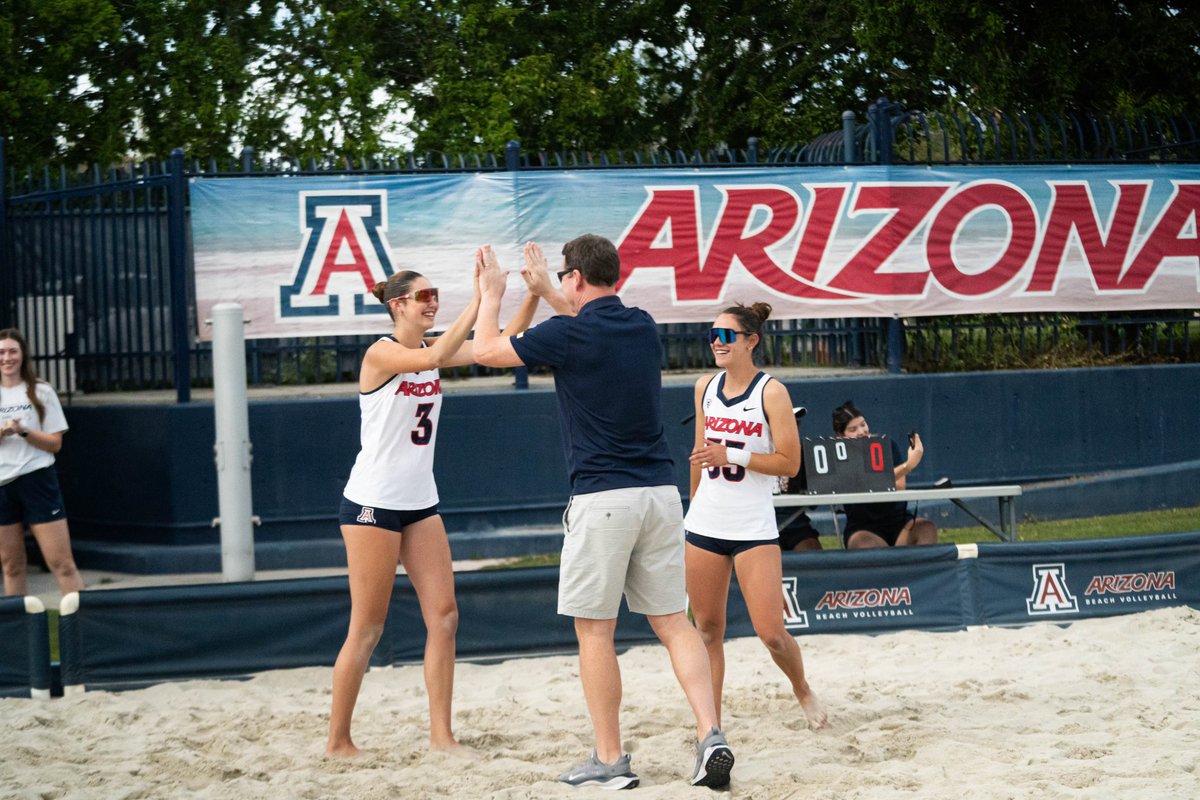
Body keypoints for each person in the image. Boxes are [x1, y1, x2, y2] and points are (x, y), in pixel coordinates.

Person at [472, 236, 734, 790]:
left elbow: (485, 351)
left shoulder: (567, 333)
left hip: (602, 498)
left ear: (574, 279)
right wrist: (548, 290)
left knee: (596, 633)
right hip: (661, 495)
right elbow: (588, 322)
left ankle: (611, 759)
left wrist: (494, 293)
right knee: (673, 623)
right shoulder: (641, 326)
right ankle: (711, 733)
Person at [326, 258, 538, 758]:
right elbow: (433, 359)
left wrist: (526, 293)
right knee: (368, 627)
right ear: (398, 304)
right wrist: (479, 298)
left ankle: (442, 736)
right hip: (372, 504)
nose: (433, 301)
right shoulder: (381, 353)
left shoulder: (428, 348)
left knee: (444, 616)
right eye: (425, 296)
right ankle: (338, 741)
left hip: (420, 503)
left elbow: (500, 342)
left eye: (436, 294)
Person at [683, 304, 827, 732]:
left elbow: (790, 463)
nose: (716, 342)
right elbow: (698, 454)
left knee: (771, 634)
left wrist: (735, 454)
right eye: (712, 334)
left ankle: (801, 688)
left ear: (751, 340)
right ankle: (711, 729)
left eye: (726, 335)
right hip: (706, 522)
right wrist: (692, 507)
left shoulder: (772, 392)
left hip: (752, 527)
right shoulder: (704, 386)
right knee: (707, 630)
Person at [0, 329, 85, 598]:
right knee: (12, 566)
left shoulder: (41, 391)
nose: (6, 357)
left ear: (23, 354)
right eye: (1, 352)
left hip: (37, 479)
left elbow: (55, 443)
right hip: (2, 485)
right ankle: (20, 635)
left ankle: (83, 626)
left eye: (12, 351)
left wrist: (24, 431)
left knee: (62, 563)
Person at [831, 400, 938, 549]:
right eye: (853, 429)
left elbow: (900, 486)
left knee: (926, 528)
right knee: (865, 544)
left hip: (899, 523)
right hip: (863, 528)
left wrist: (902, 469)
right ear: (840, 436)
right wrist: (908, 465)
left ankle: (917, 572)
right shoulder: (840, 456)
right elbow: (866, 482)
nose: (861, 432)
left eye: (863, 424)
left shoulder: (887, 444)